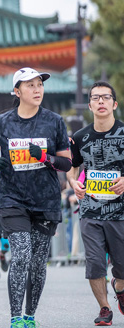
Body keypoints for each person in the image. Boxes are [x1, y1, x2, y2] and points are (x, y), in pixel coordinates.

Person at [0, 67, 71, 328]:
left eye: (39, 84)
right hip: (13, 199)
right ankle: (15, 317)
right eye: (30, 85)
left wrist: (44, 157)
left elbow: (66, 163)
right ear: (17, 91)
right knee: (20, 256)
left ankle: (30, 316)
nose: (37, 89)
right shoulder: (2, 122)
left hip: (46, 200)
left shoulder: (54, 121)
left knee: (38, 263)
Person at [67, 81, 124, 326]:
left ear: (114, 103)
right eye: (96, 98)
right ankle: (104, 309)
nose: (101, 101)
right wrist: (73, 182)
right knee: (95, 263)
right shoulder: (80, 137)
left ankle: (119, 287)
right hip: (90, 209)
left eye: (105, 97)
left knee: (122, 268)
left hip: (121, 212)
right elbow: (72, 166)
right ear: (89, 104)